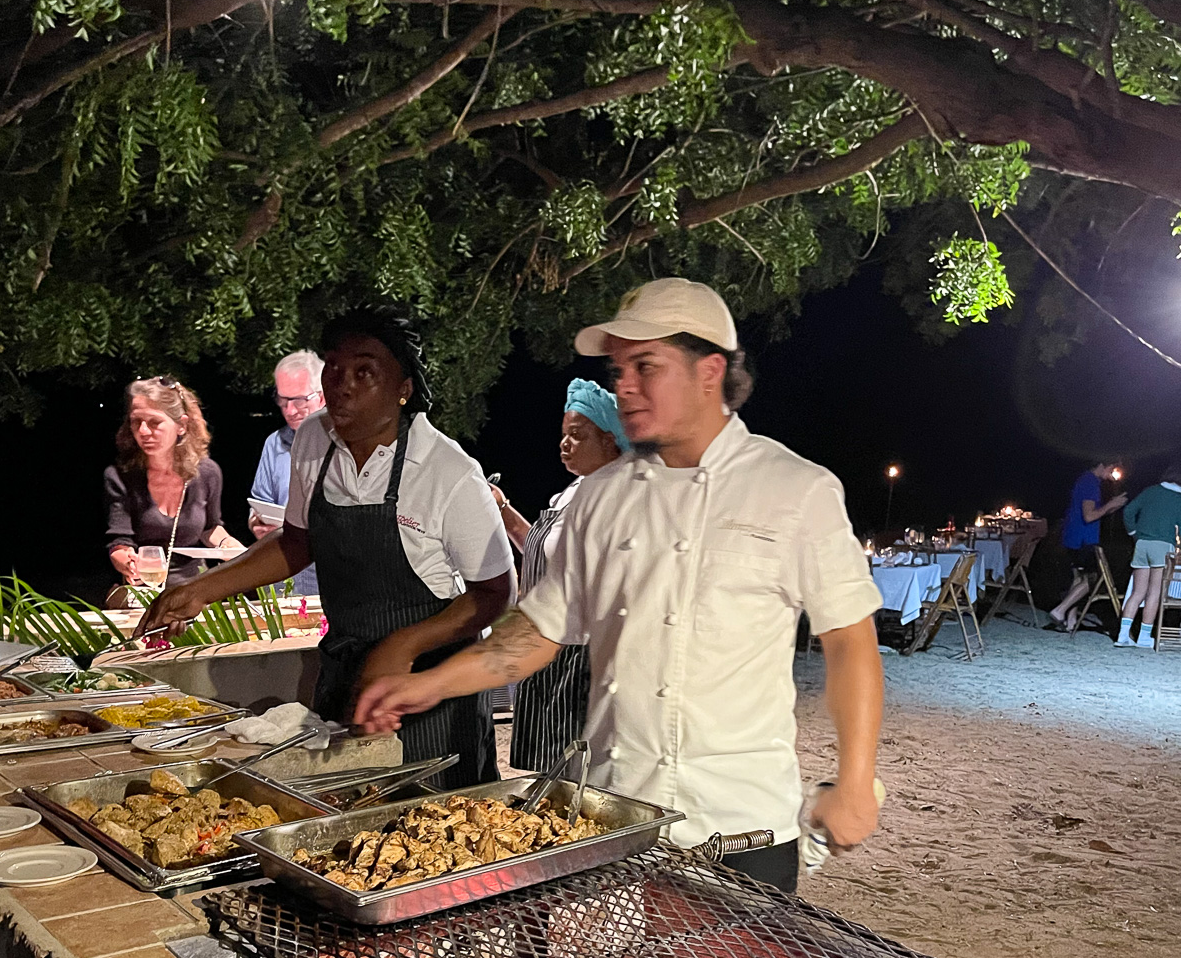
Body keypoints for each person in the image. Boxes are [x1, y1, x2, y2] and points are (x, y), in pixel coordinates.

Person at [354, 279, 884, 892]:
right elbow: (537, 632)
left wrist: (854, 779)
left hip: (744, 826)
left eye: (645, 366)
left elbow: (849, 641)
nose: (623, 385)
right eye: (619, 368)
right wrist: (429, 684)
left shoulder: (797, 489)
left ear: (710, 371)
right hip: (612, 819)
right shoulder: (600, 498)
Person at [136, 308, 515, 789]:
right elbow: (298, 540)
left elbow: (495, 591)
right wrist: (204, 589)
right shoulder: (315, 438)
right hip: (346, 667)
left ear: (404, 388)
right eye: (333, 369)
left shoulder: (446, 469)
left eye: (364, 372)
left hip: (432, 687)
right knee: (345, 811)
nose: (343, 385)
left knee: (436, 826)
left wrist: (403, 645)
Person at [494, 379, 630, 772]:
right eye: (563, 434)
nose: (565, 444)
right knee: (546, 772)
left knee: (574, 773)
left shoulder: (617, 499)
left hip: (579, 655)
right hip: (547, 647)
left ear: (610, 440)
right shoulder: (573, 492)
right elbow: (540, 550)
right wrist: (502, 510)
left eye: (577, 435)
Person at [105, 376, 241, 592]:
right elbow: (119, 542)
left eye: (154, 422)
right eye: (136, 422)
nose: (143, 431)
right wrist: (129, 563)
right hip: (145, 594)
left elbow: (210, 527)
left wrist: (228, 545)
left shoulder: (206, 473)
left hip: (196, 591)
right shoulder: (121, 476)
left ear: (181, 425)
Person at [248, 350, 324, 596]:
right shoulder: (274, 443)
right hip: (281, 578)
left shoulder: (346, 442)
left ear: (321, 397)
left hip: (329, 580)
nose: (290, 410)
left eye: (299, 400)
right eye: (283, 401)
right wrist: (257, 525)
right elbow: (259, 504)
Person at [1048, 461, 1127, 631]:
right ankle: (1059, 610)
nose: (1113, 472)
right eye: (1112, 468)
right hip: (1083, 538)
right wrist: (1110, 505)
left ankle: (1071, 621)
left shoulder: (1087, 480)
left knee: (1078, 579)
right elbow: (1089, 516)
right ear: (1102, 464)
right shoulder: (1090, 483)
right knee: (1092, 579)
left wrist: (1111, 507)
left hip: (1074, 536)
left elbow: (1095, 512)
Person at [1115, 466, 1181, 647]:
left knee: (1137, 592)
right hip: (1163, 546)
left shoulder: (1151, 491)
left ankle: (1122, 635)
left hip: (1141, 544)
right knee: (1154, 592)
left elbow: (1128, 511)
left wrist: (1134, 532)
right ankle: (1144, 636)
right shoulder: (1178, 498)